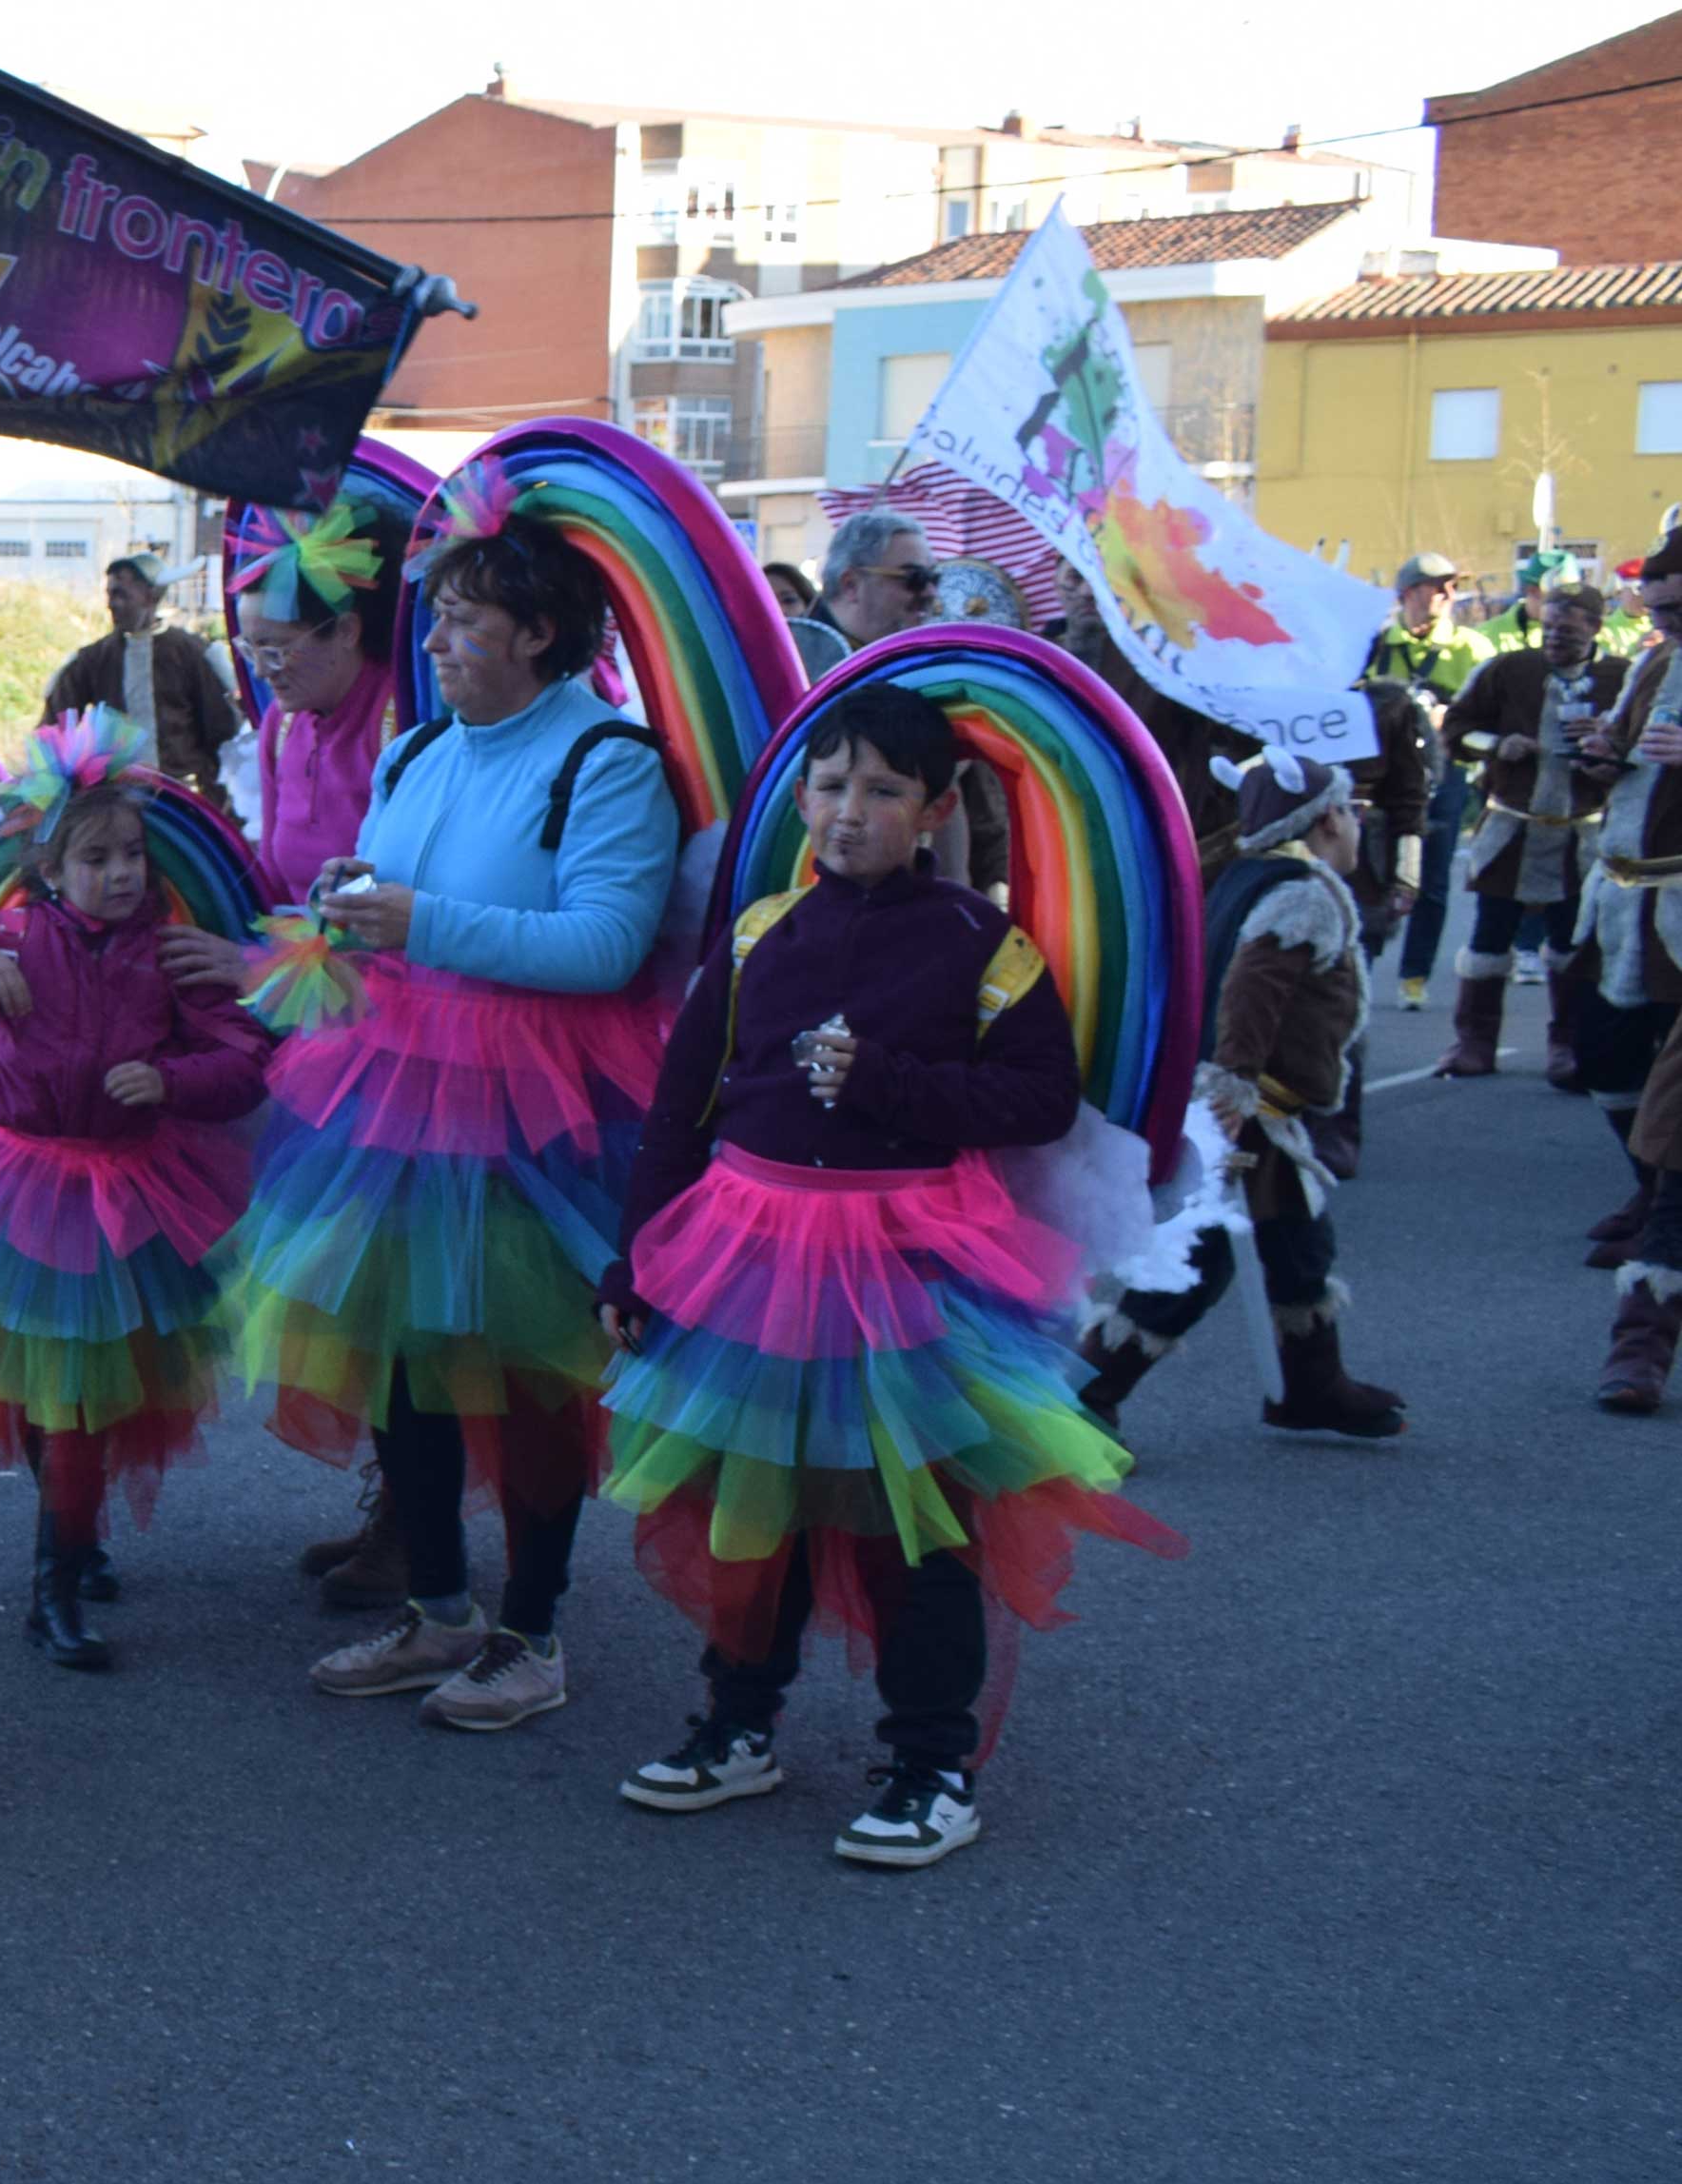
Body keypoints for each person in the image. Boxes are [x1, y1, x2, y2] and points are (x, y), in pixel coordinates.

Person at [595, 684, 1172, 1870]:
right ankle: (738, 1721)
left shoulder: (981, 946)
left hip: (904, 1261)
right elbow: (678, 1111)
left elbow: (1035, 1099)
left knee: (913, 1524)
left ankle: (929, 1763)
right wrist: (637, 1252)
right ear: (795, 796)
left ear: (934, 809)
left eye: (880, 790)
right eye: (827, 785)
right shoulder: (758, 934)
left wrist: (890, 1083)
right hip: (745, 1252)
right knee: (755, 1507)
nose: (846, 813)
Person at [220, 519, 683, 1734]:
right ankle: (437, 1608)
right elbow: (382, 887)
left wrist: (417, 919)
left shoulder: (606, 759)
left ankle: (531, 1631)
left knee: (531, 1372)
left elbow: (606, 944)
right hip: (388, 1087)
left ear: (538, 633)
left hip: (537, 1105)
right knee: (403, 1354)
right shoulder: (418, 744)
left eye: (462, 622)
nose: (434, 645)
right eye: (433, 620)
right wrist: (345, 904)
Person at [0, 727, 271, 1670]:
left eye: (131, 854)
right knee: (39, 1389)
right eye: (94, 857)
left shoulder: (168, 957)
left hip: (125, 1197)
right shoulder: (13, 937)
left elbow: (244, 1057)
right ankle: (70, 1541)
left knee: (82, 1402)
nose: (119, 873)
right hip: (11, 1185)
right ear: (48, 871)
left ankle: (55, 1580)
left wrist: (172, 1079)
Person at [183, 471, 422, 1618]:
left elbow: (388, 902)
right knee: (348, 1289)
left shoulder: (402, 716)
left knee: (405, 1293)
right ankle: (398, 1501)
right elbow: (287, 887)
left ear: (348, 628)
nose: (265, 667)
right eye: (251, 645)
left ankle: (419, 1530)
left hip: (417, 1041)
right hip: (321, 1036)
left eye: (285, 645)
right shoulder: (282, 726)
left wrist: (260, 967)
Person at [1073, 754, 1406, 1440]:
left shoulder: (1252, 873)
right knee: (1198, 1262)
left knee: (1298, 1245)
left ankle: (1311, 1386)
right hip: (1248, 1112)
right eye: (1346, 810)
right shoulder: (1303, 894)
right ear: (1320, 821)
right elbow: (1253, 988)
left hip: (1262, 1112)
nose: (1354, 824)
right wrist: (1232, 1086)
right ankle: (1086, 1395)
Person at [1570, 541, 1682, 1399]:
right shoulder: (1653, 665)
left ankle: (1641, 1339)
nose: (1665, 625)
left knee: (1676, 1117)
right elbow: (1614, 772)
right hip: (1625, 899)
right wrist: (1598, 754)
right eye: (1659, 610)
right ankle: (1645, 1191)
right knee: (1608, 1060)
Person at [1434, 580, 1615, 1079]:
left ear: (1596, 629)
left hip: (1581, 836)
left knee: (1571, 944)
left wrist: (1605, 745)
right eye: (1549, 627)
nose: (1555, 638)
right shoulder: (1510, 670)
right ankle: (1473, 1043)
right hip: (1512, 831)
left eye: (1569, 631)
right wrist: (1497, 744)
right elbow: (1456, 728)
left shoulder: (1619, 679)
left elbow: (1638, 747)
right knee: (1489, 939)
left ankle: (1568, 1046)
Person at [46, 549, 242, 802]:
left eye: (121, 594)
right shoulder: (93, 659)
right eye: (109, 594)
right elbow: (56, 726)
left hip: (183, 801)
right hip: (116, 801)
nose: (111, 604)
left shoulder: (192, 654)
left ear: (151, 596)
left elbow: (223, 731)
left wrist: (219, 796)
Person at [1375, 555, 1480, 1005]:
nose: (1447, 596)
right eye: (1437, 587)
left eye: (1452, 587)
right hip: (1383, 779)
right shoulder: (1376, 646)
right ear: (1407, 594)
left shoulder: (1472, 649)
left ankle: (1413, 977)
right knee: (1373, 873)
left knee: (1433, 880)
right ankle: (1361, 961)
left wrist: (1450, 720)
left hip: (1445, 776)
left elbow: (1487, 712)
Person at [804, 508, 940, 666]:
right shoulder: (798, 663)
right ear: (851, 585)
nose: (930, 592)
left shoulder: (921, 659)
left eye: (934, 578)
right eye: (915, 577)